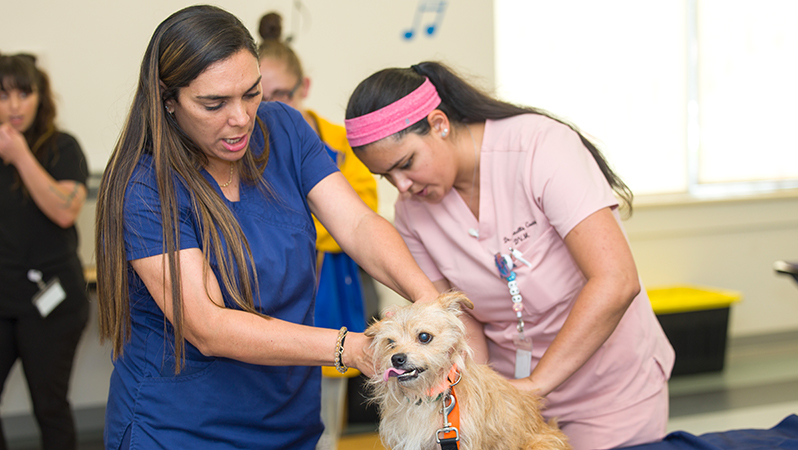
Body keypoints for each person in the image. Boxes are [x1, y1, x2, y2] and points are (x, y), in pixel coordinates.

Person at [94, 6, 438, 450]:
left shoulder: (285, 129)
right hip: (179, 430)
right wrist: (348, 348)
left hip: (288, 421)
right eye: (214, 103)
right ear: (168, 99)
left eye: (251, 93)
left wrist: (428, 301)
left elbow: (356, 224)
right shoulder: (145, 186)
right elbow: (208, 325)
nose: (240, 118)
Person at [344, 61, 676, 450]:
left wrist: (536, 385)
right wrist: (476, 402)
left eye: (406, 164)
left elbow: (616, 281)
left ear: (439, 124)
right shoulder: (411, 213)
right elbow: (452, 322)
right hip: (505, 397)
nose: (402, 186)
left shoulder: (541, 148)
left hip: (607, 388)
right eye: (387, 176)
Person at [256, 12, 380, 448]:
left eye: (280, 94)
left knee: (326, 420)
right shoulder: (245, 151)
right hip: (270, 305)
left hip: (333, 294)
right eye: (258, 95)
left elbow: (359, 215)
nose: (267, 108)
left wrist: (306, 224)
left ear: (303, 88)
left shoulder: (339, 143)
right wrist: (320, 216)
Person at [0, 53, 89, 450]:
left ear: (40, 97)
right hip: (4, 296)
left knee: (49, 405)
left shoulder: (62, 148)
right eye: (3, 95)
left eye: (24, 93)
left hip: (52, 299)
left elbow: (65, 211)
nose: (14, 105)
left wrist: (20, 155)